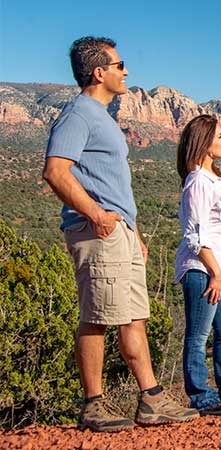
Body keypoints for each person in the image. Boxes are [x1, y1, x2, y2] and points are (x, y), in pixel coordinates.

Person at [42, 36, 198, 432]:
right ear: (99, 72)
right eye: (119, 64)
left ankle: (152, 399)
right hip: (97, 231)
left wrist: (133, 230)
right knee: (96, 318)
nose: (126, 71)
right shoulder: (78, 114)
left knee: (132, 315)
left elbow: (112, 182)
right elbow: (55, 171)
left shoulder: (101, 117)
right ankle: (92, 406)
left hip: (118, 231)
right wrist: (96, 214)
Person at [174, 114, 221, 415]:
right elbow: (194, 234)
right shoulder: (197, 182)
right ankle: (202, 398)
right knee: (198, 335)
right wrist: (216, 273)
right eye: (220, 136)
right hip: (202, 269)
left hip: (218, 271)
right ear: (205, 143)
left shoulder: (212, 178)